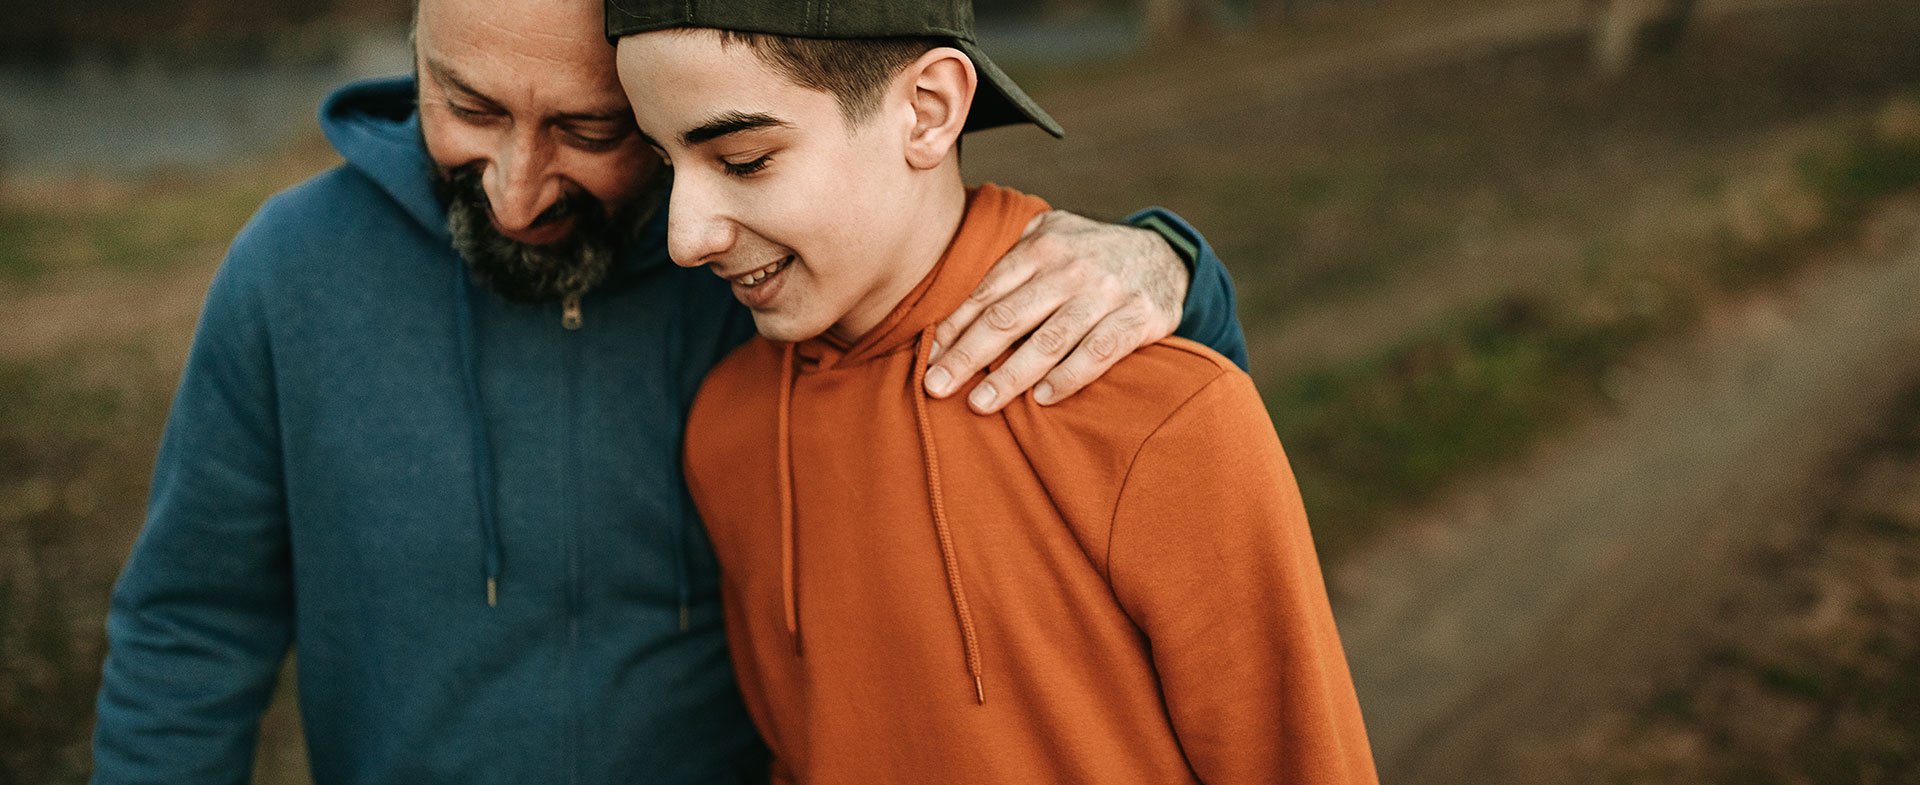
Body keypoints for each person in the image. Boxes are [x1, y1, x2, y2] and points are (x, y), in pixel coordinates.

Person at [87, 0, 1247, 782]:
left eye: (587, 128)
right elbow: (192, 624)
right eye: (467, 107)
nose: (515, 190)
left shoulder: (764, 276)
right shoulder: (290, 271)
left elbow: (990, 316)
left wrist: (1172, 266)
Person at [614, 2, 1376, 784]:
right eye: (666, 165)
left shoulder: (1160, 415)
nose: (685, 236)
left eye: (742, 160)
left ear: (927, 110)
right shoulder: (726, 431)